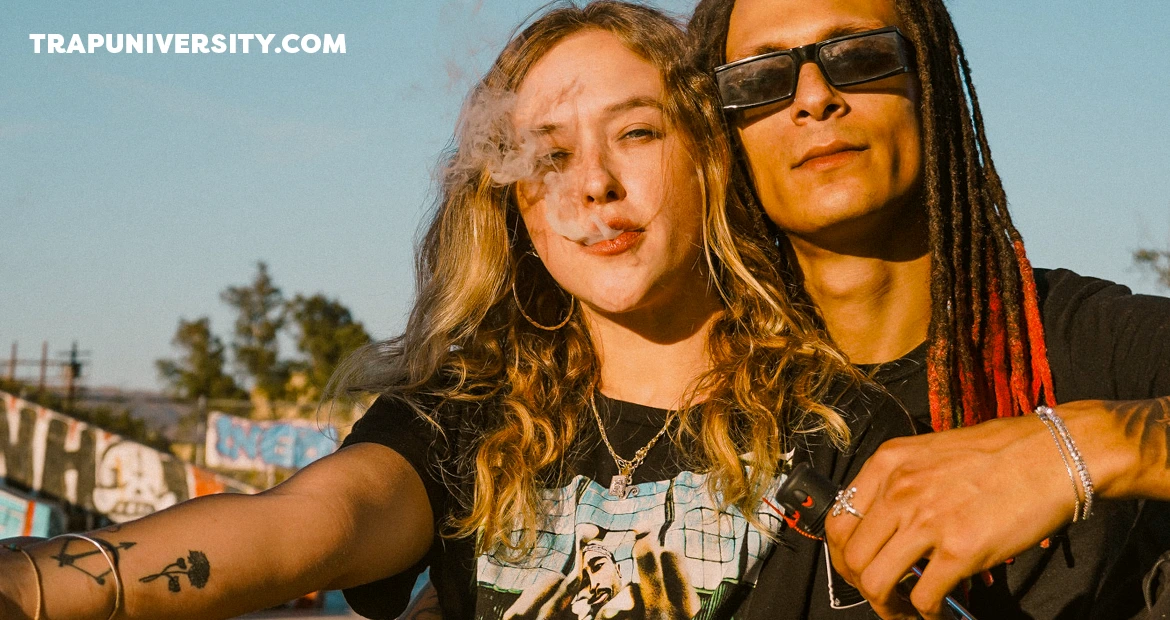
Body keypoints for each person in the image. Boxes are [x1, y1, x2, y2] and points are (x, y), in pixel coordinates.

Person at [0, 3, 913, 619]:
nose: (593, 185)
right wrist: (29, 588)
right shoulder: (466, 425)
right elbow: (307, 525)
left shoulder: (835, 427)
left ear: (708, 157)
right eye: (548, 156)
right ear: (514, 202)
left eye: (636, 133)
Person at [688, 0, 1170, 618]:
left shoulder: (1077, 340)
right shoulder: (686, 391)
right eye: (759, 79)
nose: (814, 97)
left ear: (930, 81)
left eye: (857, 55)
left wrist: (1075, 450)